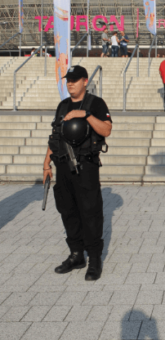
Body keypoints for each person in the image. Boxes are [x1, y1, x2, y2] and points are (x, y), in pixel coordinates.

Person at [43, 65, 112, 281]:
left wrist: (86, 115)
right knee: (68, 211)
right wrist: (46, 164)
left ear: (84, 81)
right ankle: (76, 254)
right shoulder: (62, 106)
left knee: (90, 212)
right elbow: (55, 136)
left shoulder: (96, 104)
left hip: (86, 166)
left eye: (74, 79)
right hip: (63, 166)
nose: (70, 83)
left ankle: (94, 259)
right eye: (67, 80)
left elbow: (106, 129)